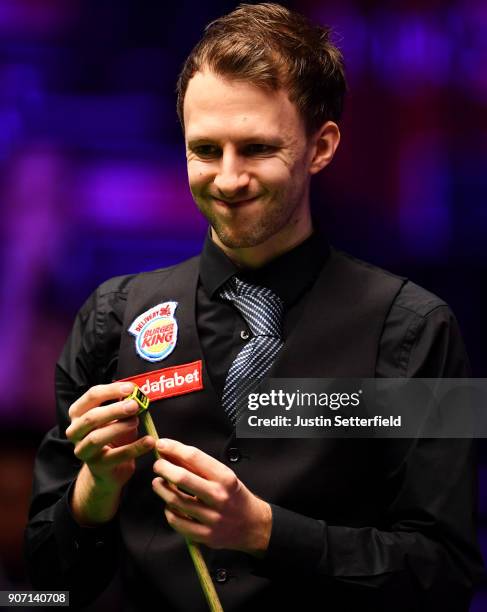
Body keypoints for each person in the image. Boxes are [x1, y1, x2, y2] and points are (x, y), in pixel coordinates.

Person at [25, 3, 484, 611]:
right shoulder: (112, 320)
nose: (228, 178)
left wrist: (266, 532)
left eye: (258, 148)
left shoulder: (419, 329)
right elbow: (43, 589)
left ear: (321, 146)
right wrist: (94, 493)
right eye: (206, 150)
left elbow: (448, 576)